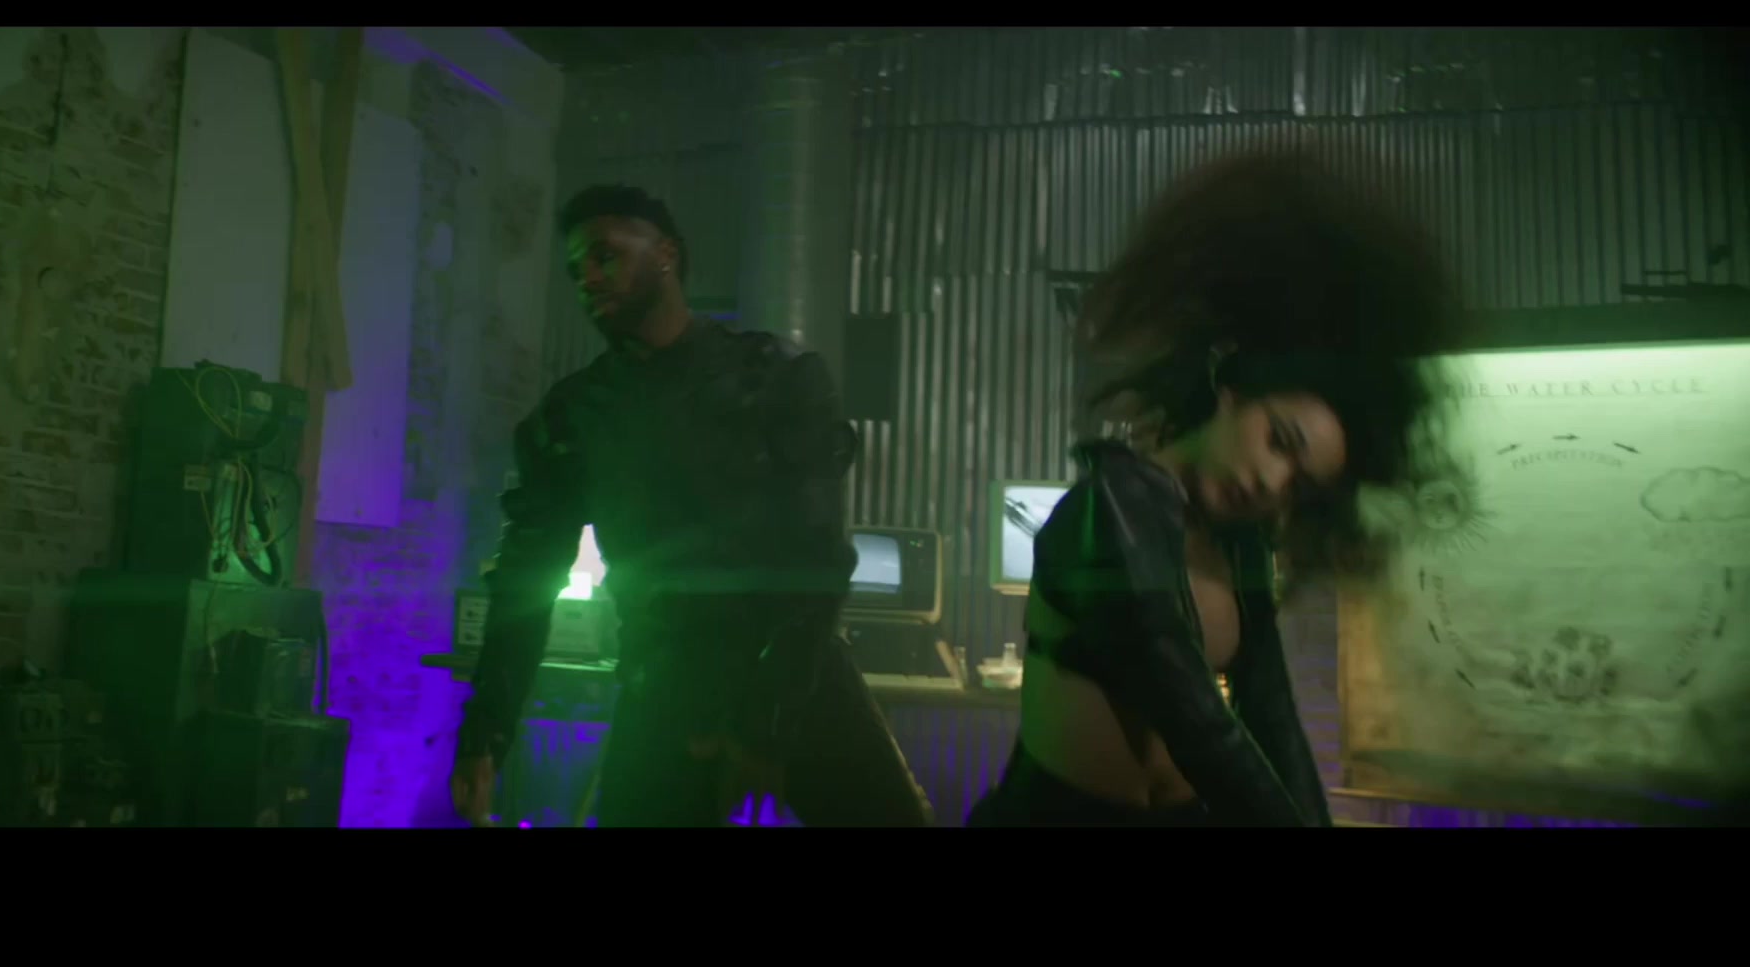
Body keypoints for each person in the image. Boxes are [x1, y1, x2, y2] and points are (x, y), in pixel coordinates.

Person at [969, 149, 1463, 827]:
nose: (1273, 482)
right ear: (1231, 388)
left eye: (1300, 484)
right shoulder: (1113, 507)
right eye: (1280, 441)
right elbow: (1195, 718)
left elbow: (1271, 712)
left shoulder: (1238, 544)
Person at [450, 184, 933, 828]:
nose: (587, 278)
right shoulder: (573, 417)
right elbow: (525, 579)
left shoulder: (775, 379)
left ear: (666, 254)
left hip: (797, 678)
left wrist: (768, 721)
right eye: (575, 269)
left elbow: (818, 562)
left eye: (605, 255)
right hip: (665, 693)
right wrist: (486, 731)